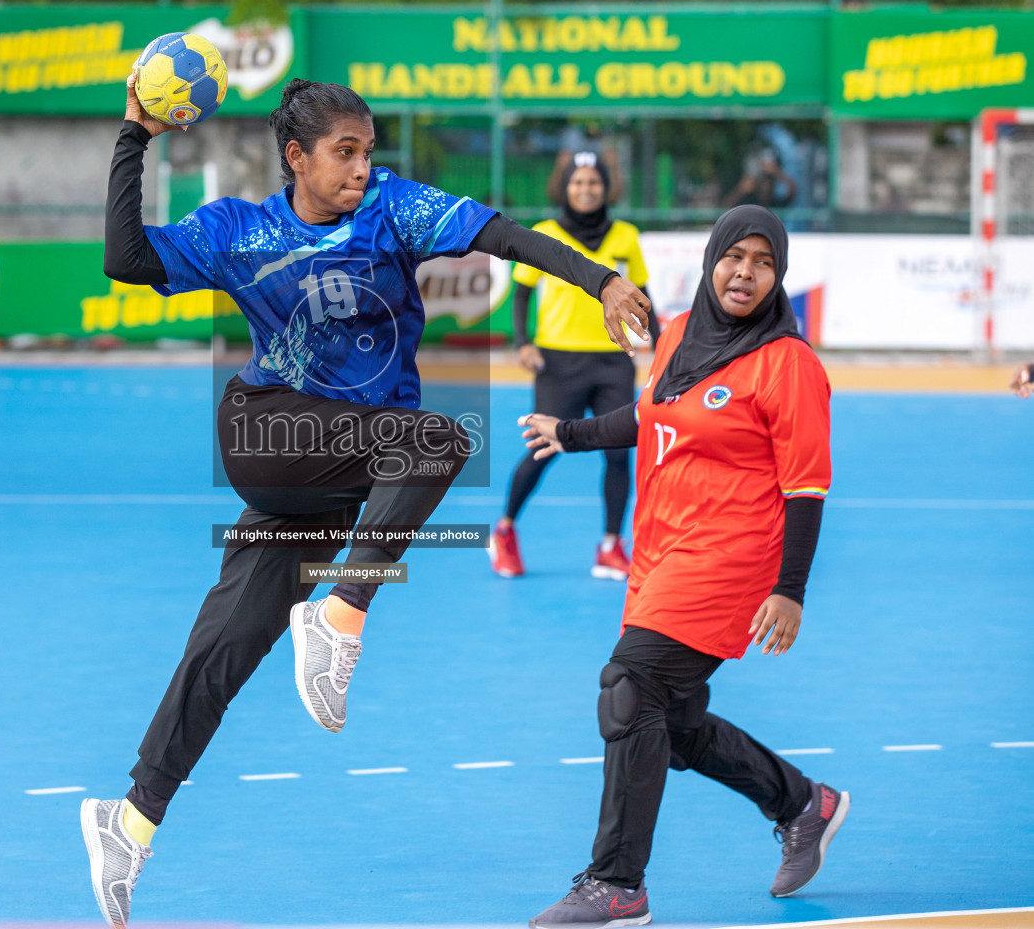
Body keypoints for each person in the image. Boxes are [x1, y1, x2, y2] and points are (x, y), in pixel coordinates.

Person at [78, 75, 653, 927]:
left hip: (334, 472)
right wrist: (135, 134)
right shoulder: (238, 230)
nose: (358, 168)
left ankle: (128, 820)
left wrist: (599, 279)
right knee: (438, 439)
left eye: (366, 151)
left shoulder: (390, 209)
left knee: (226, 647)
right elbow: (125, 259)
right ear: (295, 156)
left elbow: (502, 236)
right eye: (342, 153)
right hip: (266, 432)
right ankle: (342, 610)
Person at [517, 205, 847, 927]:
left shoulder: (788, 364)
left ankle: (616, 885)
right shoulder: (676, 336)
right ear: (711, 260)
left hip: (730, 558)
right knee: (671, 719)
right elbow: (649, 416)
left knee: (630, 689)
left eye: (763, 262)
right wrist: (568, 434)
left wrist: (788, 590)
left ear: (777, 276)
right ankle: (800, 803)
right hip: (663, 550)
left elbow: (805, 485)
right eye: (735, 256)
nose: (745, 273)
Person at [489, 151, 659, 581]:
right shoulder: (545, 234)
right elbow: (523, 290)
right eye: (578, 182)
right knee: (544, 447)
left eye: (594, 183)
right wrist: (523, 342)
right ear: (565, 187)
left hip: (613, 360)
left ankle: (610, 546)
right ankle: (505, 532)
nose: (586, 190)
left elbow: (641, 292)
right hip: (558, 360)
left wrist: (659, 342)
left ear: (606, 188)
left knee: (620, 452)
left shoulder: (625, 236)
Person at [722, 143, 796, 210]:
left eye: (770, 182)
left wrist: (777, 172)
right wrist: (740, 191)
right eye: (763, 182)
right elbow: (723, 210)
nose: (766, 187)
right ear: (757, 184)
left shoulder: (776, 204)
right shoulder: (748, 203)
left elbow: (792, 190)